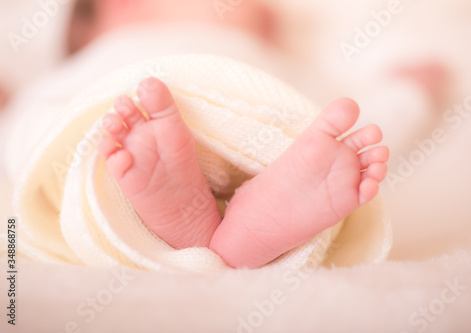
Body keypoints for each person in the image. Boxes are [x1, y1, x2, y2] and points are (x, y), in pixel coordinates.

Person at [97, 77, 389, 268]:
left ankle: (197, 234)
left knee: (102, 141)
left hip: (138, 108)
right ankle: (243, 234)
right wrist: (414, 92)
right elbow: (387, 100)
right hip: (258, 111)